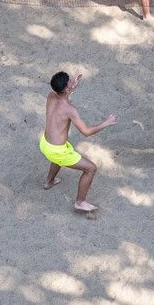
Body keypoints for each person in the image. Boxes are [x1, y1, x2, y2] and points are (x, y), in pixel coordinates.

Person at [41, 70, 116, 213]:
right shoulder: (70, 110)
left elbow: (62, 96)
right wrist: (106, 123)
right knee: (91, 169)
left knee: (57, 158)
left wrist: (71, 87)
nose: (72, 80)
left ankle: (48, 182)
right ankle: (80, 202)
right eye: (69, 81)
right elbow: (86, 132)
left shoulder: (51, 96)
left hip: (45, 144)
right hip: (57, 150)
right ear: (66, 89)